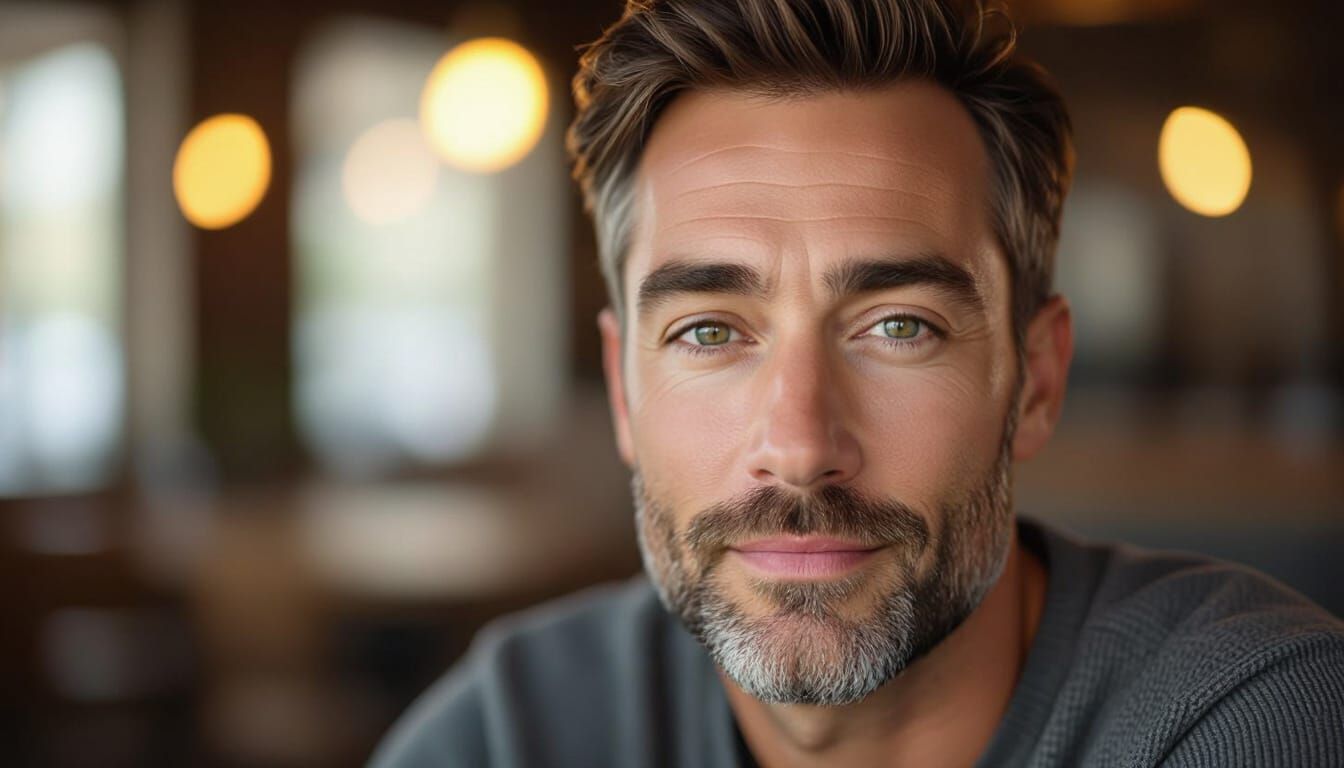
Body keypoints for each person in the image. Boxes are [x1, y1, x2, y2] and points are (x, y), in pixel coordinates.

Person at [371, 1, 1344, 765]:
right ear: (625, 392)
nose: (800, 446)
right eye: (709, 331)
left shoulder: (1258, 719)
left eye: (899, 326)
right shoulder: (513, 732)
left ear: (1036, 380)